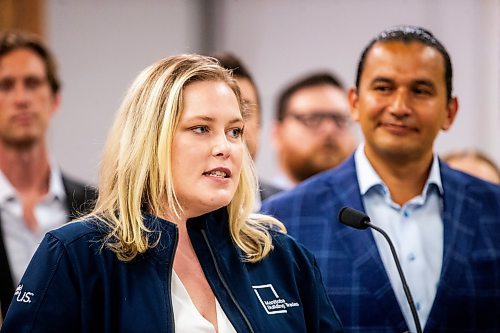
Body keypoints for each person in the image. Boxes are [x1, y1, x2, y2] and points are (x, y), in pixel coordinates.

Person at [2, 54, 343, 332]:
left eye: (235, 131)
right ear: (151, 141)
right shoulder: (76, 256)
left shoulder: (284, 257)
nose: (225, 147)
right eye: (201, 128)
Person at [261, 25, 500, 332]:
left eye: (420, 91)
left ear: (450, 112)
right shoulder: (285, 218)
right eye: (384, 88)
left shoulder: (493, 209)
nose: (399, 107)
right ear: (355, 103)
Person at [0, 30, 96, 318]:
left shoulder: (97, 208)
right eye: (6, 85)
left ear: (54, 99)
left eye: (32, 83)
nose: (21, 98)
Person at [213, 52, 282, 204]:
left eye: (244, 111)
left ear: (260, 122)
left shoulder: (292, 209)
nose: (234, 127)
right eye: (204, 127)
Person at [271, 72, 357, 189]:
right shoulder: (255, 205)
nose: (329, 129)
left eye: (340, 119)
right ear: (277, 134)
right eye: (312, 119)